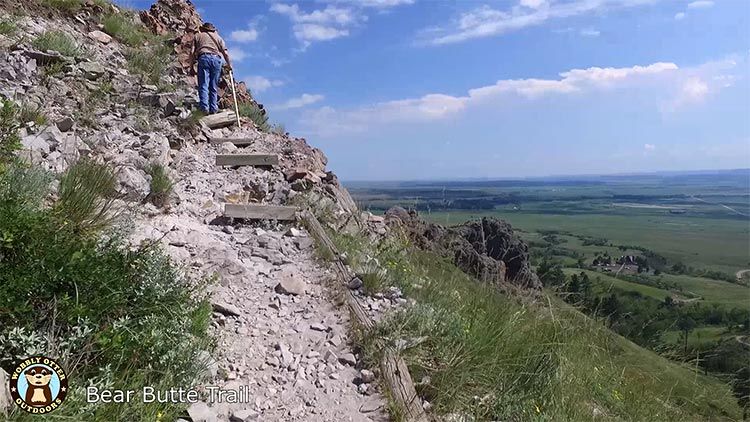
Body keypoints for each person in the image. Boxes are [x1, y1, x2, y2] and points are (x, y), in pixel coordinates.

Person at [192, 22, 232, 115]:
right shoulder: (219, 38)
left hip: (204, 57)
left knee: (203, 84)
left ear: (203, 29)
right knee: (213, 86)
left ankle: (204, 108)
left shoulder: (198, 36)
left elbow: (192, 52)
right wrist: (229, 65)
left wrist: (191, 65)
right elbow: (225, 53)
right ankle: (213, 108)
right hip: (216, 60)